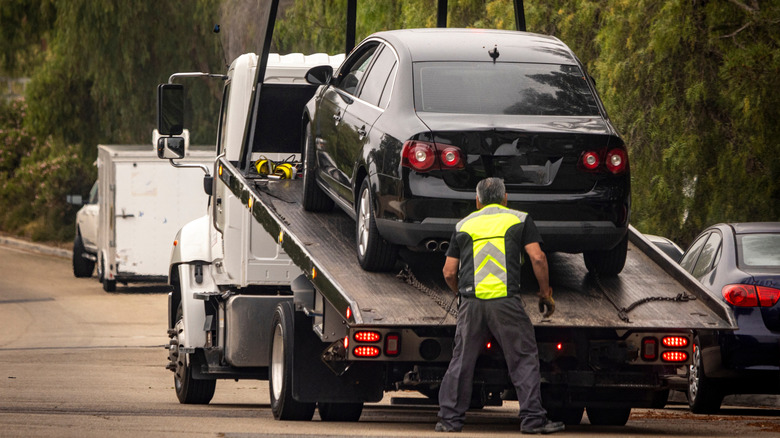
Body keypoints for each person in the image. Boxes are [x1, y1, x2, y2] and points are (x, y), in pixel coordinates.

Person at [435, 177, 564, 434]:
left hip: (471, 303)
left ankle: (449, 421)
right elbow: (538, 258)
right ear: (505, 199)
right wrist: (544, 293)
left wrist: (461, 294)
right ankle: (532, 420)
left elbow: (449, 272)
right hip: (506, 304)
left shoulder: (463, 225)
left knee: (462, 361)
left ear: (478, 201)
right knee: (523, 358)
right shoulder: (519, 219)